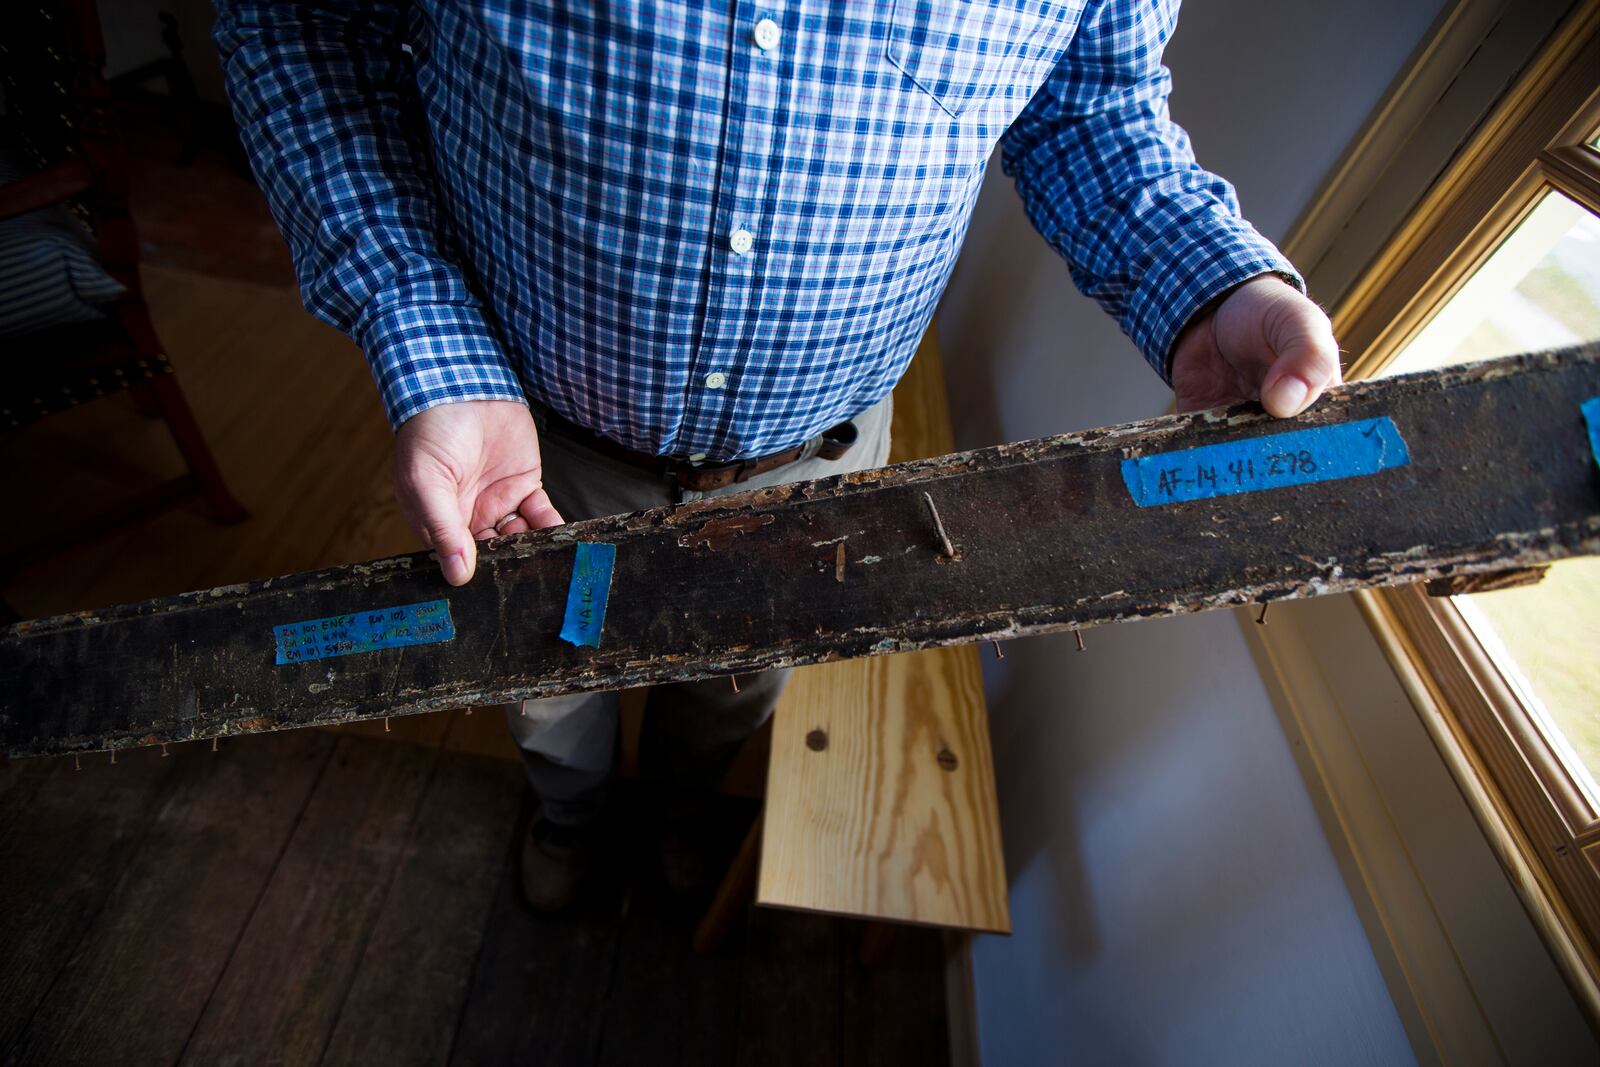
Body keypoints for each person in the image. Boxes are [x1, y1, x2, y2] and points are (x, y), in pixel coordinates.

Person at [213, 1, 1341, 909]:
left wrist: (1202, 276)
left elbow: (1088, 107)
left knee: (738, 685)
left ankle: (682, 809)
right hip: (531, 456)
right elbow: (301, 28)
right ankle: (569, 815)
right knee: (546, 689)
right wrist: (428, 336)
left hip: (819, 464)